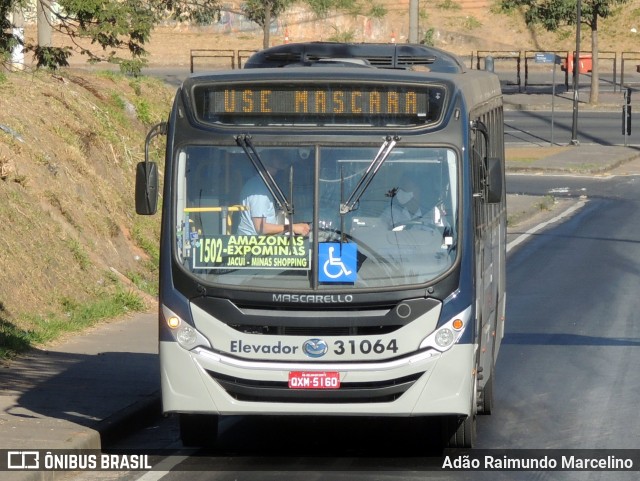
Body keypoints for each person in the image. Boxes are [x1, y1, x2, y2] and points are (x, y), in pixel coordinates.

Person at [237, 154, 310, 236]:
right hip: (253, 245)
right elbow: (261, 228)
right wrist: (292, 227)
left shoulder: (261, 185)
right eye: (279, 169)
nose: (281, 174)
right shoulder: (259, 191)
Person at [381, 173, 445, 231]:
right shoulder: (391, 212)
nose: (401, 192)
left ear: (417, 191)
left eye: (406, 188)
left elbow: (445, 233)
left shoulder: (433, 213)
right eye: (402, 189)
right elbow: (379, 232)